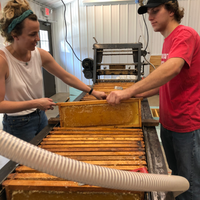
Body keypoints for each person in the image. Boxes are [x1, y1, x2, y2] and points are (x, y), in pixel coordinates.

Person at [107, 0, 200, 199]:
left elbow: (172, 69)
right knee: (176, 178)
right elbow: (168, 81)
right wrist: (140, 93)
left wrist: (129, 91)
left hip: (186, 124)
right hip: (168, 122)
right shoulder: (168, 41)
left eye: (156, 11)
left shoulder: (185, 34)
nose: (150, 17)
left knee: (190, 185)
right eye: (148, 12)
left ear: (172, 11)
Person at [0, 0, 106, 142]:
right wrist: (36, 103)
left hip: (41, 117)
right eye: (32, 34)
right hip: (17, 124)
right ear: (15, 35)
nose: (37, 39)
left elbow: (66, 76)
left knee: (43, 160)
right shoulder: (3, 60)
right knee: (27, 163)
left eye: (37, 33)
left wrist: (92, 92)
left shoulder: (40, 54)